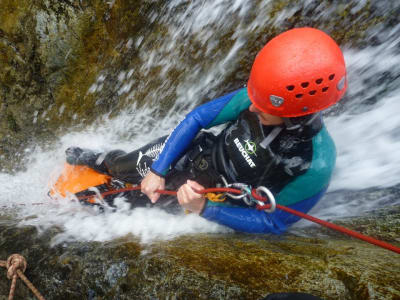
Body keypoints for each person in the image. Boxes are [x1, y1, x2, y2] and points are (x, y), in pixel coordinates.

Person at [66, 27, 347, 234]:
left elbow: (273, 222)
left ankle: (99, 195)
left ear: (295, 115)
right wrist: (159, 170)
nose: (250, 107)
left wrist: (204, 209)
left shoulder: (315, 165)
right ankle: (105, 161)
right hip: (195, 153)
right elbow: (198, 119)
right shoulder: (262, 96)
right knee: (123, 166)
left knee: (124, 202)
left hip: (218, 197)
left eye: (262, 106)